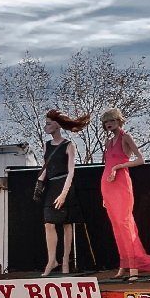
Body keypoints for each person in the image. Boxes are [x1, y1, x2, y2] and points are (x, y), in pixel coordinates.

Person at [100, 109, 150, 280]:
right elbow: (107, 164)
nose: (108, 124)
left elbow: (141, 159)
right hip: (107, 185)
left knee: (125, 224)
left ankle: (133, 266)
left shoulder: (126, 137)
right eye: (105, 122)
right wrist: (104, 195)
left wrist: (119, 167)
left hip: (121, 183)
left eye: (111, 120)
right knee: (116, 227)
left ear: (119, 120)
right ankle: (123, 265)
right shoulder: (108, 141)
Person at [38, 109, 88, 276]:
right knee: (48, 223)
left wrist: (64, 193)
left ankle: (66, 260)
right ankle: (52, 260)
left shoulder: (69, 145)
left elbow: (71, 171)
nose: (46, 127)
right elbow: (46, 167)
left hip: (65, 184)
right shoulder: (46, 145)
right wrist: (39, 182)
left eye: (49, 123)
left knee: (67, 224)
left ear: (57, 125)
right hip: (51, 185)